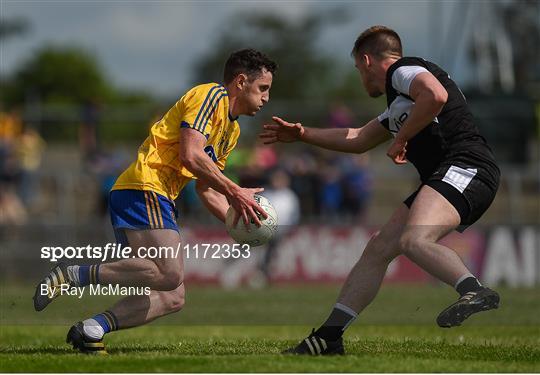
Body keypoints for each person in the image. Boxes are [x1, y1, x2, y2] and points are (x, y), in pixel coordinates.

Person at [260, 26, 500, 355]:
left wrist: (401, 139)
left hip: (466, 167)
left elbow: (436, 95)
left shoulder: (403, 71)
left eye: (359, 70)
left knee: (414, 240)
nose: (362, 78)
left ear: (367, 60)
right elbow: (358, 139)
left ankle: (474, 289)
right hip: (448, 174)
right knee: (378, 249)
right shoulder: (402, 102)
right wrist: (302, 134)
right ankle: (330, 336)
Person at [33, 49, 277, 354]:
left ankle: (90, 329)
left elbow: (205, 189)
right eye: (263, 88)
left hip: (157, 196)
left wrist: (239, 221)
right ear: (241, 82)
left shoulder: (233, 130)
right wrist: (236, 192)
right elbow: (191, 154)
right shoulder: (211, 96)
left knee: (174, 296)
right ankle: (72, 275)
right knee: (169, 272)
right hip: (144, 186)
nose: (267, 98)